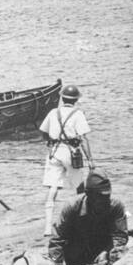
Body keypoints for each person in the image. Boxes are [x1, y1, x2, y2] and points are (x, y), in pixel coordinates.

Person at [48, 169, 128, 265]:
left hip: (101, 256)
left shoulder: (116, 206)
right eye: (100, 197)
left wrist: (107, 252)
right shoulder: (72, 207)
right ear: (89, 194)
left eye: (107, 196)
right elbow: (57, 239)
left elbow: (120, 237)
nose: (105, 200)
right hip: (76, 256)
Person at [39, 84, 92, 235]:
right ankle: (81, 220)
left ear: (62, 98)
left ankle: (47, 227)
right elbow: (84, 139)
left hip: (54, 152)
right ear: (76, 100)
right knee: (79, 187)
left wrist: (49, 141)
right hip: (71, 153)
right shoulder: (78, 114)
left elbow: (43, 131)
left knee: (53, 187)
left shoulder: (53, 112)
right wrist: (90, 160)